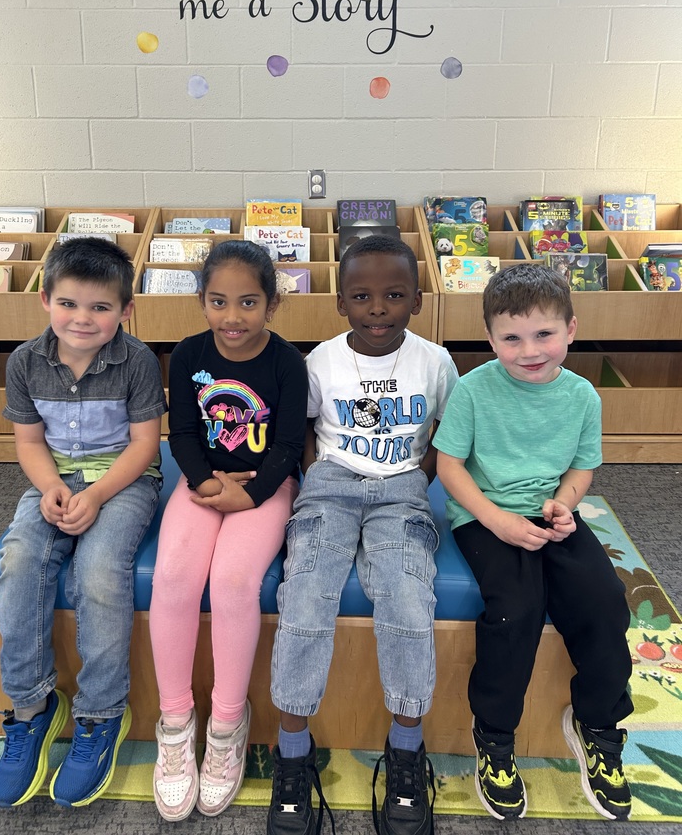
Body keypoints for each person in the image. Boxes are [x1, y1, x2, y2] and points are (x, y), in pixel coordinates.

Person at [268, 234, 459, 835]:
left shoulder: (435, 361)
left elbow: (447, 428)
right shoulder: (319, 361)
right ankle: (292, 757)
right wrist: (314, 477)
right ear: (341, 303)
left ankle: (407, 751)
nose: (379, 307)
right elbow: (299, 426)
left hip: (402, 488)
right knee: (303, 595)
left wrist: (419, 479)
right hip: (329, 485)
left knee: (407, 595)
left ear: (418, 300)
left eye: (394, 295)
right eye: (363, 296)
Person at [433, 262, 633, 822]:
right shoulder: (473, 390)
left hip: (552, 513)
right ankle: (494, 734)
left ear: (571, 328)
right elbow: (449, 467)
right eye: (511, 338)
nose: (529, 350)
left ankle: (597, 722)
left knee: (604, 603)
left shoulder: (582, 396)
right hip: (484, 517)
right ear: (491, 337)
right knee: (515, 609)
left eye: (544, 334)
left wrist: (565, 505)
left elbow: (580, 467)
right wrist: (495, 520)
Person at [0, 237, 167, 809]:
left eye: (100, 307)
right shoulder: (24, 361)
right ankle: (30, 707)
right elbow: (28, 441)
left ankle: (100, 713)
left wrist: (97, 495)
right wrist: (51, 488)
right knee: (18, 563)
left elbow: (145, 447)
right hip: (54, 482)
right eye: (68, 304)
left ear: (125, 311)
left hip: (125, 483)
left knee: (96, 572)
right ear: (45, 300)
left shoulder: (136, 360)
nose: (82, 319)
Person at [149, 240, 308, 822]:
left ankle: (225, 725)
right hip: (203, 484)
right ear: (202, 301)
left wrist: (253, 492)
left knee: (236, 580)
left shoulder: (288, 363)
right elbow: (184, 433)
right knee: (172, 578)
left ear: (271, 304)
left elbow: (290, 443)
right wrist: (204, 481)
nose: (232, 317)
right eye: (218, 302)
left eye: (247, 303)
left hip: (265, 486)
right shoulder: (188, 353)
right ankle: (173, 722)